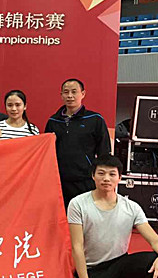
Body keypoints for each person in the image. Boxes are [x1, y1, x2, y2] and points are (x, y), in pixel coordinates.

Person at [45, 78, 111, 207]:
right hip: (59, 181)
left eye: (74, 92)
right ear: (61, 95)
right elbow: (47, 152)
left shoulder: (95, 119)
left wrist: (102, 177)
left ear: (83, 94)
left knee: (85, 214)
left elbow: (104, 152)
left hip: (85, 180)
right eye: (66, 92)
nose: (70, 96)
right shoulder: (53, 121)